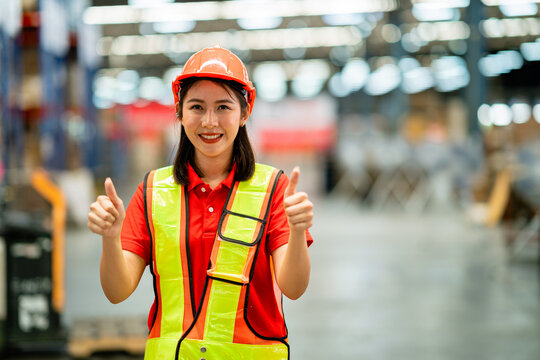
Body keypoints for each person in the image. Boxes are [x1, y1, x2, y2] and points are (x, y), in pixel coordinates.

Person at [87, 46, 313, 359]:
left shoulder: (273, 189)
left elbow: (294, 287)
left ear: (245, 112)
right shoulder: (153, 191)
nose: (209, 121)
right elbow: (117, 291)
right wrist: (110, 239)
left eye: (223, 107)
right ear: (179, 112)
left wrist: (298, 230)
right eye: (196, 107)